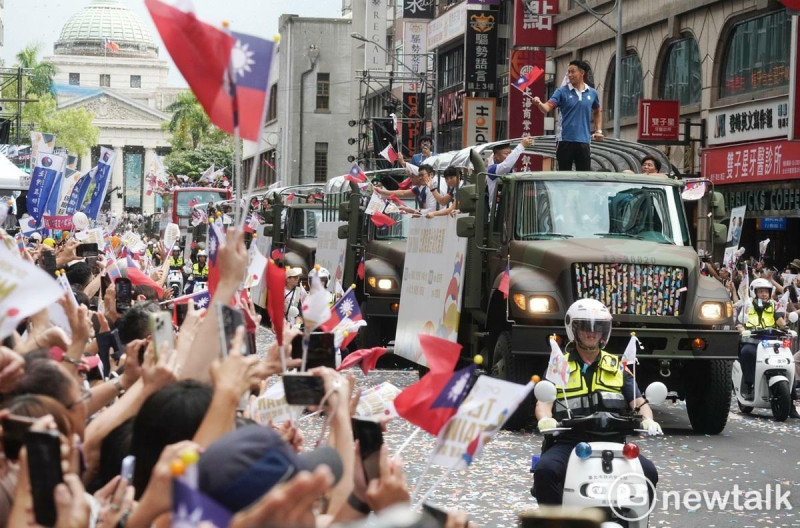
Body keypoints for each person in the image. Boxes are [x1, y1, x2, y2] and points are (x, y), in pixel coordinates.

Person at [533, 299, 660, 505]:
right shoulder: (559, 364)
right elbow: (544, 403)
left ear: (604, 332)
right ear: (574, 330)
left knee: (649, 473)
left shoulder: (617, 366)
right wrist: (545, 420)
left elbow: (639, 402)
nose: (592, 333)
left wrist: (648, 420)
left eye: (598, 328)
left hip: (613, 440)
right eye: (585, 328)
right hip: (570, 440)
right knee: (545, 470)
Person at [532, 60, 603, 171]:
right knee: (564, 176)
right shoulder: (561, 92)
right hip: (565, 141)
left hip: (584, 141)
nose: (569, 75)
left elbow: (597, 111)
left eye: (572, 72)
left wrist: (598, 131)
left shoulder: (592, 93)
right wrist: (539, 103)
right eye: (568, 72)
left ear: (582, 73)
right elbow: (546, 108)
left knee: (584, 177)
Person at [735, 278, 791, 408]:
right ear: (754, 293)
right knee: (746, 352)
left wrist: (786, 328)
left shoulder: (772, 305)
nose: (764, 294)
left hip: (770, 344)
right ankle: (749, 386)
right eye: (761, 292)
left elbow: (779, 319)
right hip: (752, 342)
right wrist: (741, 329)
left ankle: (790, 400)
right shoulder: (746, 306)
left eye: (766, 292)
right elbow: (738, 322)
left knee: (787, 360)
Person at [487, 136, 534, 206]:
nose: (509, 156)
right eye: (506, 154)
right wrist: (521, 146)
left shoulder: (510, 172)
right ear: (496, 156)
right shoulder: (492, 170)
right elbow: (506, 165)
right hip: (496, 211)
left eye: (510, 153)